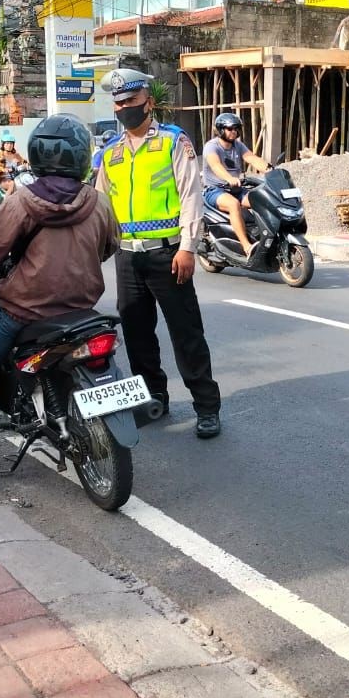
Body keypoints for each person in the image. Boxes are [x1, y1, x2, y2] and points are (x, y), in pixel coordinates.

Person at [0, 114, 119, 482]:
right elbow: (109, 246)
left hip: (24, 309)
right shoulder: (99, 201)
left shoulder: (24, 200)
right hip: (81, 309)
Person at [94, 69, 222, 438]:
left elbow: (191, 197)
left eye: (131, 102)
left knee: (186, 335)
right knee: (137, 335)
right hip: (128, 258)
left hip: (168, 256)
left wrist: (187, 247)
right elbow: (102, 205)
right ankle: (154, 398)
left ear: (148, 102)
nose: (124, 109)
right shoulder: (111, 152)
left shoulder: (173, 142)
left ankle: (207, 407)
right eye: (118, 104)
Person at [202, 112, 272, 258]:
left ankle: (265, 237)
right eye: (230, 128)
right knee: (234, 204)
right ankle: (246, 246)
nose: (233, 132)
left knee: (261, 200)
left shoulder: (238, 145)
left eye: (236, 128)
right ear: (221, 130)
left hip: (236, 189)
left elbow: (251, 158)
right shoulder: (211, 146)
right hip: (214, 190)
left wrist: (269, 168)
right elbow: (215, 165)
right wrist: (229, 178)